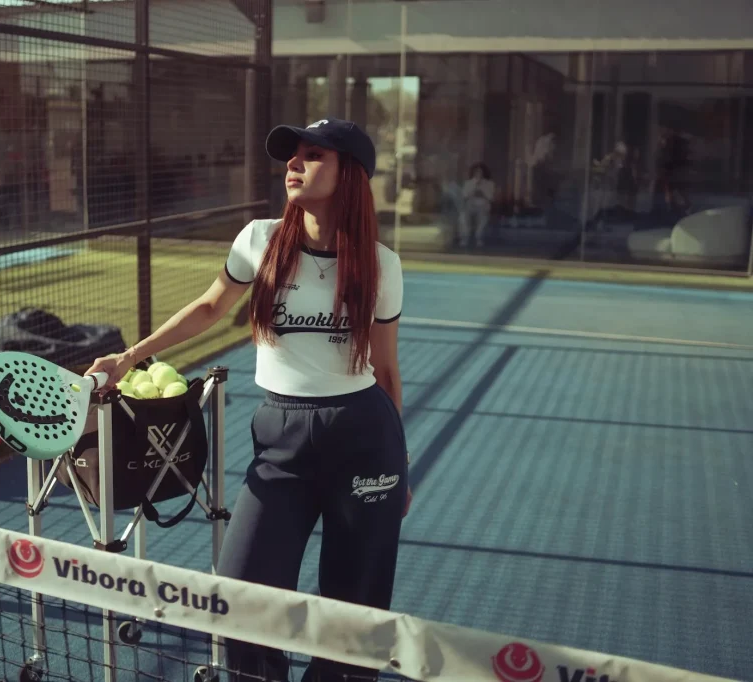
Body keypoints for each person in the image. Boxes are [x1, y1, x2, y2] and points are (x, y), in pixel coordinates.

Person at [86, 117, 411, 682]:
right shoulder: (258, 240)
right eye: (292, 155)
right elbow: (212, 308)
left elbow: (385, 368)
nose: (294, 164)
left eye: (313, 155)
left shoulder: (382, 265)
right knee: (240, 595)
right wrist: (129, 357)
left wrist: (400, 465)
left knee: (354, 606)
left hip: (364, 438)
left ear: (350, 174)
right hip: (280, 434)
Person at [458, 162, 495, 247]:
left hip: (483, 206)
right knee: (463, 217)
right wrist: (473, 190)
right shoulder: (468, 183)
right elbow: (464, 196)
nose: (478, 174)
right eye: (476, 172)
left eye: (480, 172)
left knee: (482, 220)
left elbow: (491, 198)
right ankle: (464, 238)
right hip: (470, 205)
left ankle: (479, 238)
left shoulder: (490, 184)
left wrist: (482, 192)